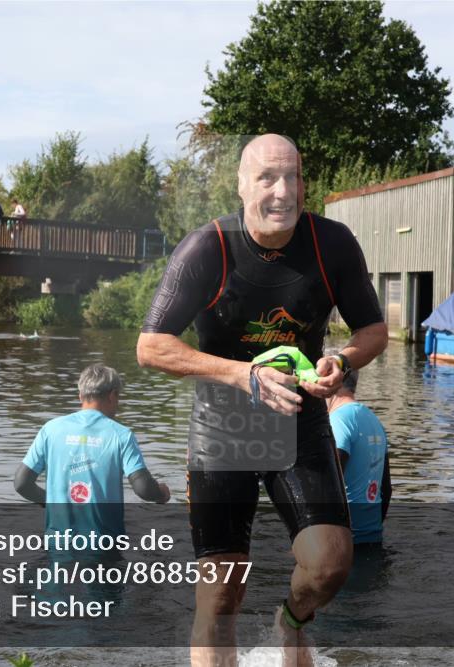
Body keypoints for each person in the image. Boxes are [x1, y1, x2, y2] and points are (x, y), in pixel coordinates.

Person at [137, 134, 388, 666]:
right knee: (221, 594)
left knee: (330, 564)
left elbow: (373, 330)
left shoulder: (333, 244)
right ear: (241, 185)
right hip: (223, 428)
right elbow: (152, 346)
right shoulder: (208, 248)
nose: (282, 191)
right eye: (267, 178)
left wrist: (341, 361)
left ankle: (290, 621)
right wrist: (241, 373)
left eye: (292, 177)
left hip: (298, 418)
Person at [14, 364, 170, 540]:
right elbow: (143, 488)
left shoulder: (50, 429)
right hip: (104, 543)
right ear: (112, 395)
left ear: (81, 396)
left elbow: (22, 483)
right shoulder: (121, 435)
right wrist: (160, 493)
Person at [326, 365, 391, 546]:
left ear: (330, 380)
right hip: (373, 536)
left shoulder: (338, 420)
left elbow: (330, 487)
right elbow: (386, 490)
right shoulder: (374, 419)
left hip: (342, 544)